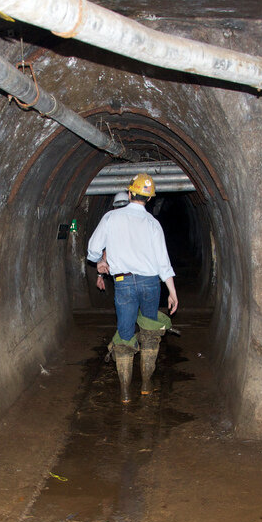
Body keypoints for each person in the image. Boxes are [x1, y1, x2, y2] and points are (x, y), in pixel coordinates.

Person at [87, 173, 178, 403]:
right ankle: (146, 384)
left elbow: (93, 249)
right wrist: (172, 292)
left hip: (123, 282)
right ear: (149, 199)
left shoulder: (111, 218)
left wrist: (100, 262)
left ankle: (125, 393)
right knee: (150, 331)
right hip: (150, 283)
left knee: (125, 334)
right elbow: (163, 263)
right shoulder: (153, 224)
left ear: (129, 194)